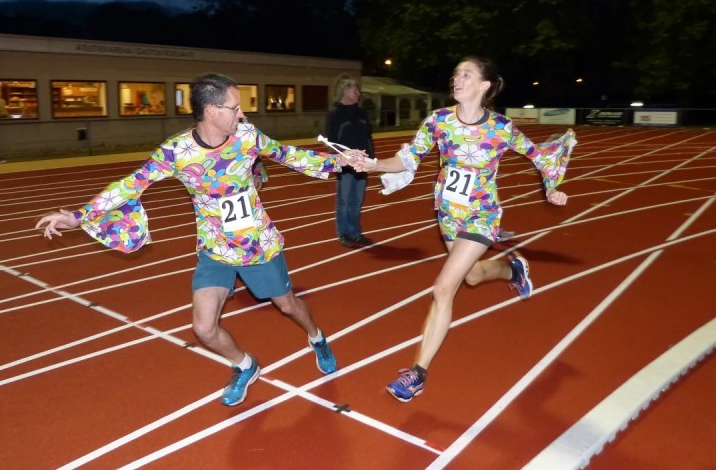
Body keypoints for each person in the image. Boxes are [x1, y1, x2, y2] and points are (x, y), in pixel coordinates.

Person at [36, 73, 355, 406]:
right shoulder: (177, 151)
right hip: (215, 249)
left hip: (256, 244)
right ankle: (245, 365)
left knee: (287, 305)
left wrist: (338, 161)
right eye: (235, 108)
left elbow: (288, 155)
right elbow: (131, 184)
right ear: (212, 111)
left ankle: (317, 337)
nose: (242, 114)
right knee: (203, 328)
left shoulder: (246, 136)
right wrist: (78, 216)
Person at [349, 56, 576, 402]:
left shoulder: (500, 128)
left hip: (482, 216)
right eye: (455, 74)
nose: (457, 79)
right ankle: (511, 269)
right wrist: (373, 162)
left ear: (484, 85)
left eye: (466, 75)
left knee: (443, 289)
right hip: (447, 215)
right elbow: (409, 160)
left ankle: (417, 373)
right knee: (469, 277)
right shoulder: (439, 121)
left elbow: (539, 156)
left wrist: (552, 188)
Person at [325, 74, 375, 247]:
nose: (358, 93)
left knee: (357, 201)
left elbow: (368, 137)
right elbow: (331, 141)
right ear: (345, 92)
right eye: (355, 90)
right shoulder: (335, 114)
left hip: (363, 164)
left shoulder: (361, 112)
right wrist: (342, 158)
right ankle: (344, 233)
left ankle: (355, 232)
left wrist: (371, 158)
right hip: (345, 166)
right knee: (344, 201)